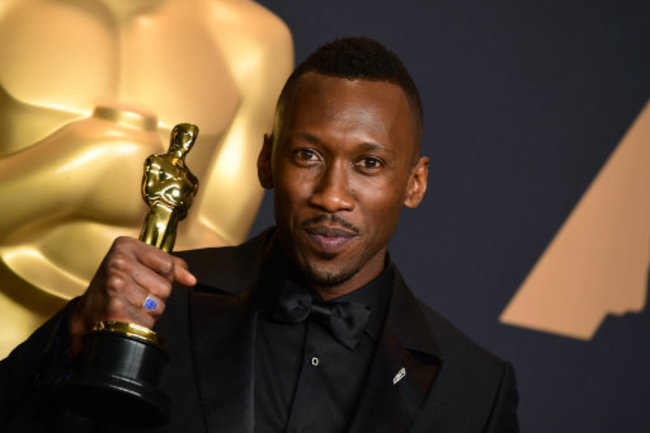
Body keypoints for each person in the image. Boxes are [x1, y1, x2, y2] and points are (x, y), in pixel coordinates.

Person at [0, 37, 519, 432]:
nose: (333, 195)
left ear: (415, 183)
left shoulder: (474, 388)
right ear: (266, 161)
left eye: (368, 163)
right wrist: (77, 327)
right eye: (308, 156)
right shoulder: (158, 304)